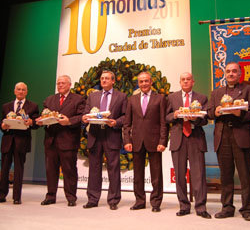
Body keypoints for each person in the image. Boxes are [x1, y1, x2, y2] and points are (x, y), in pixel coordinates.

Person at [207, 63, 250, 221]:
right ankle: (227, 207)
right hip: (222, 136)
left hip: (241, 134)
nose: (231, 73)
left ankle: (247, 208)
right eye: (228, 71)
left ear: (240, 73)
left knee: (245, 175)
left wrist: (239, 113)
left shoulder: (248, 90)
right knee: (226, 175)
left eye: (234, 71)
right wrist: (214, 112)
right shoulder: (216, 93)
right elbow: (209, 113)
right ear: (224, 73)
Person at [165, 72, 212, 218]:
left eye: (188, 79)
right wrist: (175, 115)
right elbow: (166, 117)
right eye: (183, 79)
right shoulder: (171, 97)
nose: (185, 82)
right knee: (179, 175)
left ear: (193, 82)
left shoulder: (202, 98)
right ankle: (184, 206)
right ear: (180, 82)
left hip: (195, 138)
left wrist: (195, 119)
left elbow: (206, 119)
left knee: (198, 175)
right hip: (178, 138)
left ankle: (201, 207)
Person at [37, 75, 85, 206]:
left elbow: (82, 116)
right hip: (51, 140)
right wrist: (41, 121)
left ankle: (71, 197)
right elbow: (44, 114)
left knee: (69, 170)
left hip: (68, 140)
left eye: (63, 83)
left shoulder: (78, 99)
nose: (60, 85)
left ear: (70, 85)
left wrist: (69, 121)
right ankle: (50, 196)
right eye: (58, 83)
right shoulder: (49, 99)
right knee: (50, 170)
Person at [82, 70, 127, 210]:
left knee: (113, 169)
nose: (104, 81)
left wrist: (116, 122)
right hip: (95, 135)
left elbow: (126, 116)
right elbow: (86, 113)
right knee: (94, 169)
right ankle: (93, 199)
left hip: (111, 135)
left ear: (113, 81)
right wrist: (84, 118)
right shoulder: (92, 96)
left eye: (107, 78)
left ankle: (113, 200)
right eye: (102, 78)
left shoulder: (122, 96)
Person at [123, 71, 167, 212]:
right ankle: (140, 201)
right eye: (141, 81)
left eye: (146, 81)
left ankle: (156, 203)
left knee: (156, 174)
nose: (144, 84)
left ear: (151, 82)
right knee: (138, 175)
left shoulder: (160, 98)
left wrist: (162, 141)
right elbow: (127, 124)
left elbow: (163, 123)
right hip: (136, 141)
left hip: (154, 141)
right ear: (138, 83)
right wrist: (127, 141)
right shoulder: (132, 100)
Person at [0, 82, 39, 205]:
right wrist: (2, 126)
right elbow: (0, 123)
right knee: (4, 170)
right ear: (14, 91)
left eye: (23, 90)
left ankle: (17, 197)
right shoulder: (6, 106)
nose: (21, 91)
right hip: (7, 141)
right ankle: (1, 195)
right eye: (18, 89)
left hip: (22, 142)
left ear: (26, 92)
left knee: (19, 170)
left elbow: (36, 124)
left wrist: (31, 122)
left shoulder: (33, 106)